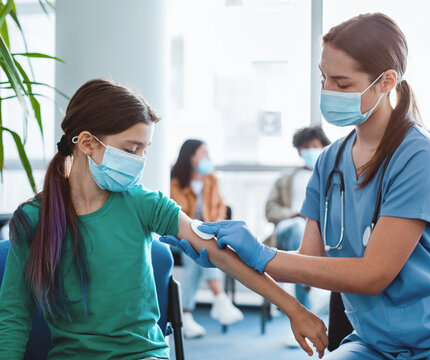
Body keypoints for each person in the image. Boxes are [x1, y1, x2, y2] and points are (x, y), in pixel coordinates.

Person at [176, 13, 430, 359]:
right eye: (324, 78)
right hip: (374, 342)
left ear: (386, 81)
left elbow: (373, 274)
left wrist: (263, 255)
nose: (327, 92)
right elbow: (308, 265)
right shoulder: (328, 162)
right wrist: (228, 259)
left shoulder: (422, 156)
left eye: (342, 83)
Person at [0, 79, 328, 359]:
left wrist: (294, 310)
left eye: (146, 149)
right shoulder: (33, 220)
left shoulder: (144, 203)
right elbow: (14, 318)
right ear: (87, 143)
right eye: (131, 149)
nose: (140, 161)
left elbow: (218, 253)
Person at [170, 139, 243, 338]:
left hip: (205, 235)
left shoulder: (211, 179)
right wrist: (198, 230)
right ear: (192, 157)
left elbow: (221, 206)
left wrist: (215, 224)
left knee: (197, 250)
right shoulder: (175, 182)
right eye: (204, 153)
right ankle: (219, 298)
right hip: (177, 237)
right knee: (194, 246)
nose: (208, 158)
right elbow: (180, 215)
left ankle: (186, 314)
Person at [265, 126, 330, 308]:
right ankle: (305, 303)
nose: (310, 150)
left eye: (314, 145)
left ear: (324, 146)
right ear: (299, 150)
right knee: (299, 228)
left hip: (322, 230)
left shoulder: (332, 176)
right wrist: (293, 214)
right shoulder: (286, 178)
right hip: (289, 227)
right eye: (305, 147)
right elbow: (270, 210)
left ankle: (312, 288)